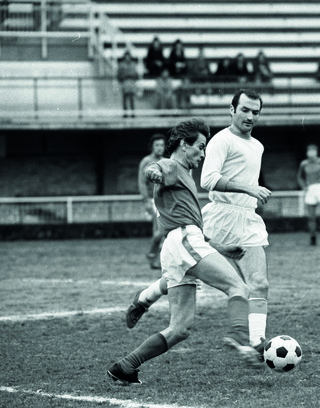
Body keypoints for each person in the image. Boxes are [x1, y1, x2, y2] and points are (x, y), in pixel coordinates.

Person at [108, 118, 262, 385]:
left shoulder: (184, 175)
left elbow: (191, 226)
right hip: (183, 242)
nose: (203, 155)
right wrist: (153, 173)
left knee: (180, 330)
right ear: (183, 144)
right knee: (240, 288)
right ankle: (239, 336)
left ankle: (125, 366)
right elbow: (156, 168)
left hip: (179, 244)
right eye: (200, 147)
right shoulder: (173, 166)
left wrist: (221, 247)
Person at [200, 89, 272, 348]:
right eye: (244, 110)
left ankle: (256, 343)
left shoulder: (258, 146)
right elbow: (207, 180)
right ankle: (146, 298)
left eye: (255, 112)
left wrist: (251, 194)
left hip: (248, 219)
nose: (250, 116)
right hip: (219, 218)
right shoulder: (221, 140)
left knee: (259, 283)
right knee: (182, 274)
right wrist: (249, 188)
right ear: (232, 110)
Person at [138, 134, 167, 270]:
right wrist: (146, 201)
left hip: (163, 200)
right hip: (152, 200)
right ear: (152, 146)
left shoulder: (165, 161)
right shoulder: (146, 161)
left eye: (162, 145)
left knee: (163, 231)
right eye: (157, 145)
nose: (160, 148)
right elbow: (142, 182)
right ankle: (152, 255)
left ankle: (156, 259)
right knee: (159, 231)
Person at [117, 50, 138, 118]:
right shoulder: (121, 65)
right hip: (124, 82)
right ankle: (125, 113)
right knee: (124, 98)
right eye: (126, 56)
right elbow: (118, 75)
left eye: (128, 56)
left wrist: (132, 76)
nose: (127, 58)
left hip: (131, 82)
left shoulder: (133, 65)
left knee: (131, 98)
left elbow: (136, 75)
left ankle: (132, 113)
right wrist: (124, 77)